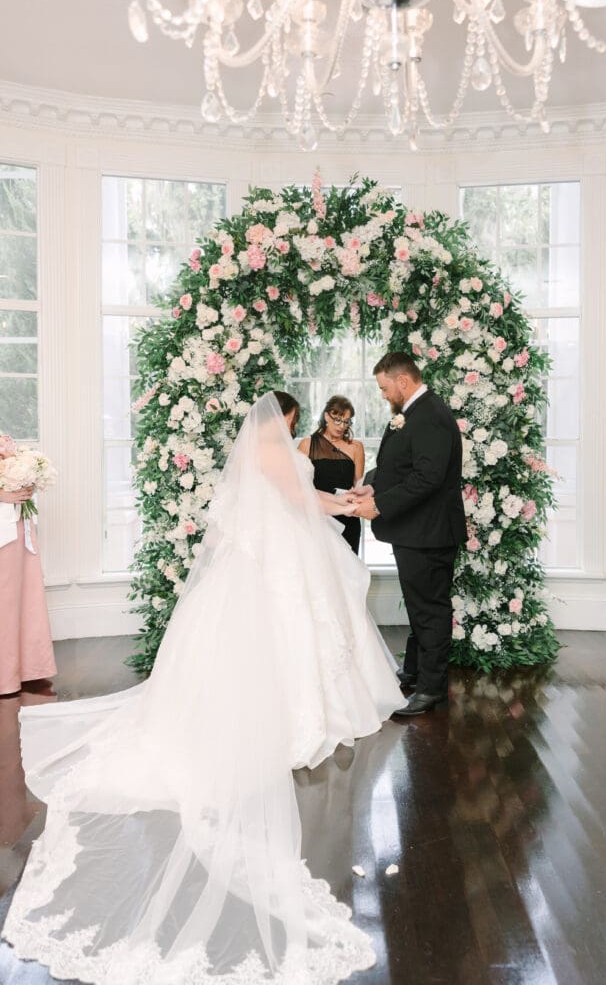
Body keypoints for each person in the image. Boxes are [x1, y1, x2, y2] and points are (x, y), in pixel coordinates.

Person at [2, 391, 404, 984]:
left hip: (278, 552)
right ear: (283, 421)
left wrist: (342, 500)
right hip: (280, 559)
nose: (291, 427)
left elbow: (298, 499)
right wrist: (346, 503)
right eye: (292, 420)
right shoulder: (275, 453)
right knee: (292, 632)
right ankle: (296, 711)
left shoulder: (264, 454)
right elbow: (299, 499)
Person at [354, 352, 467, 716]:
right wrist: (372, 486)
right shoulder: (414, 412)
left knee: (430, 610)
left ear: (403, 381)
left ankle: (431, 689)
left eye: (385, 387)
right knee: (419, 606)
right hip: (416, 531)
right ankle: (416, 672)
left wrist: (379, 505)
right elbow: (400, 467)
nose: (384, 395)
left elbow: (427, 478)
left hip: (429, 532)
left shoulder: (430, 416)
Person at [0, 433, 56, 697]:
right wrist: (3, 493)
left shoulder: (5, 439)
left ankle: (25, 667)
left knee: (22, 594)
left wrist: (25, 483)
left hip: (16, 523)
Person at [298, 394, 364, 553]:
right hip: (318, 514)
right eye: (338, 420)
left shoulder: (356, 447)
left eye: (346, 422)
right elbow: (297, 486)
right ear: (327, 416)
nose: (342, 426)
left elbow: (359, 486)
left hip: (347, 516)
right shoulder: (307, 444)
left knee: (349, 565)